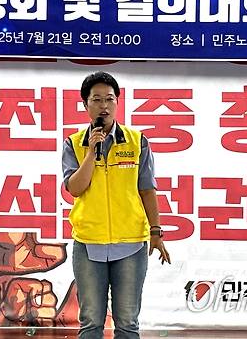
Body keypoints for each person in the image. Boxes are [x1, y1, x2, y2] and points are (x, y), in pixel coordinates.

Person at [62, 71, 171, 339]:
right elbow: (75, 188)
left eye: (109, 99)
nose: (104, 106)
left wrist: (156, 232)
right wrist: (91, 153)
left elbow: (147, 190)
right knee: (91, 322)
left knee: (127, 322)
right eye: (97, 99)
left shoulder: (137, 142)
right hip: (89, 243)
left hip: (131, 243)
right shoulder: (74, 144)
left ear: (118, 102)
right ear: (86, 105)